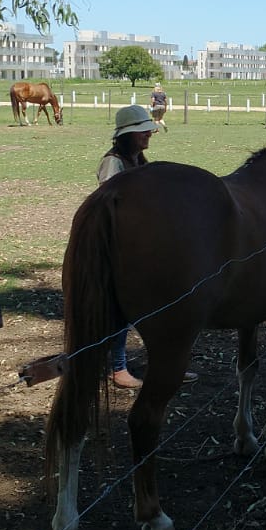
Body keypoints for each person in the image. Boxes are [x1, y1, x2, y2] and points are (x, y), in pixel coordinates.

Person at [97, 104, 196, 388]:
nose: (147, 136)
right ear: (127, 135)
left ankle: (165, 365)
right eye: (141, 132)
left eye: (147, 131)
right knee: (120, 312)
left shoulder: (139, 160)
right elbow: (110, 205)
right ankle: (117, 369)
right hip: (118, 245)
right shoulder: (113, 163)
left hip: (141, 244)